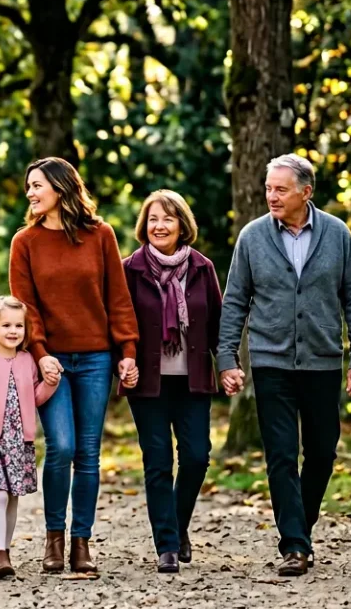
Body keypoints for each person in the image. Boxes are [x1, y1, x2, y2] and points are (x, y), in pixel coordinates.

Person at [217, 154, 351, 577]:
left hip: (322, 363)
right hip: (271, 362)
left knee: (322, 451)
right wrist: (227, 357)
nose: (271, 196)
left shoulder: (338, 235)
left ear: (306, 192)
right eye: (269, 188)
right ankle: (295, 545)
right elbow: (235, 302)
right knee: (281, 455)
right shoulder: (252, 237)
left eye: (280, 189)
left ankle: (300, 525)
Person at [8, 156, 140, 573]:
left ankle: (81, 543)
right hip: (52, 361)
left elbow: (117, 298)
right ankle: (54, 538)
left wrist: (128, 352)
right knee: (61, 446)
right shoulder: (24, 242)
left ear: (62, 188)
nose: (30, 193)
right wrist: (41, 353)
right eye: (28, 186)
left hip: (97, 358)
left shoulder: (100, 235)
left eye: (36, 185)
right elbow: (25, 308)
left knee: (87, 452)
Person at [121, 190, 223, 573]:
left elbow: (216, 322)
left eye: (167, 219)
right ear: (143, 226)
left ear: (183, 225)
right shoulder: (128, 269)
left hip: (193, 378)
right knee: (158, 460)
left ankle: (177, 526)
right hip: (147, 383)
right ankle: (166, 544)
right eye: (152, 219)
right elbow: (120, 323)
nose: (159, 226)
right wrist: (123, 360)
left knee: (197, 456)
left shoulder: (202, 268)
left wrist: (226, 364)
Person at [0, 296, 57, 579]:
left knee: (13, 497)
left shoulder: (28, 360)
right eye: (6, 325)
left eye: (19, 326)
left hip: (20, 440)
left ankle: (4, 549)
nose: (13, 331)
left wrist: (50, 384)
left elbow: (35, 397)